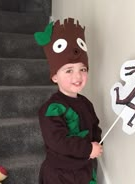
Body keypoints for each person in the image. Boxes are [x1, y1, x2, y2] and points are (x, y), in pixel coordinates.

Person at [34, 18, 103, 184]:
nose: (77, 76)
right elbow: (58, 141)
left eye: (83, 69)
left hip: (84, 169)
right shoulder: (51, 108)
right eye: (69, 70)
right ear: (55, 76)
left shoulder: (86, 103)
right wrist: (88, 149)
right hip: (60, 174)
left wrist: (98, 142)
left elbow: (94, 126)